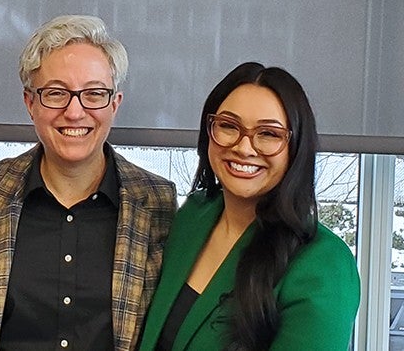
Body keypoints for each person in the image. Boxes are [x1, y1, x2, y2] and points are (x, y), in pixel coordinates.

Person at [0, 15, 177, 350]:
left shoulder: (156, 203)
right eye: (56, 93)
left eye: (94, 94)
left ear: (115, 104)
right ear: (30, 103)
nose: (74, 111)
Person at [138, 62, 360, 350]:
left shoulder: (324, 265)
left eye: (269, 134)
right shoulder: (193, 216)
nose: (244, 147)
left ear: (296, 148)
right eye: (229, 126)